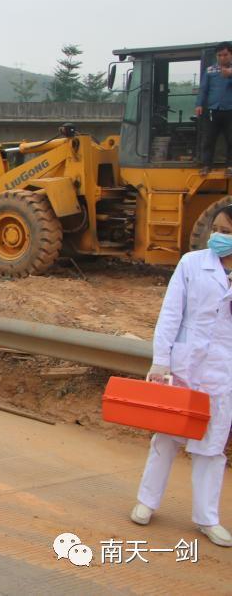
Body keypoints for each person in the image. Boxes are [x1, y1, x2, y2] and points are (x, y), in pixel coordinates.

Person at [131, 204, 232, 548]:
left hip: (222, 373)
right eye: (217, 228)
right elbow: (171, 313)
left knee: (212, 447)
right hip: (185, 366)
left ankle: (207, 518)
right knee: (166, 438)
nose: (218, 236)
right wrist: (161, 362)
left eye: (228, 232)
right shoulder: (192, 264)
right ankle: (147, 502)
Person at [196, 41, 232, 175]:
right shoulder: (210, 70)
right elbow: (203, 89)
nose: (223, 58)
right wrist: (199, 104)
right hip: (212, 110)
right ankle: (206, 166)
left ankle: (230, 167)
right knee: (209, 139)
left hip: (230, 111)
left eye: (225, 55)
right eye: (220, 55)